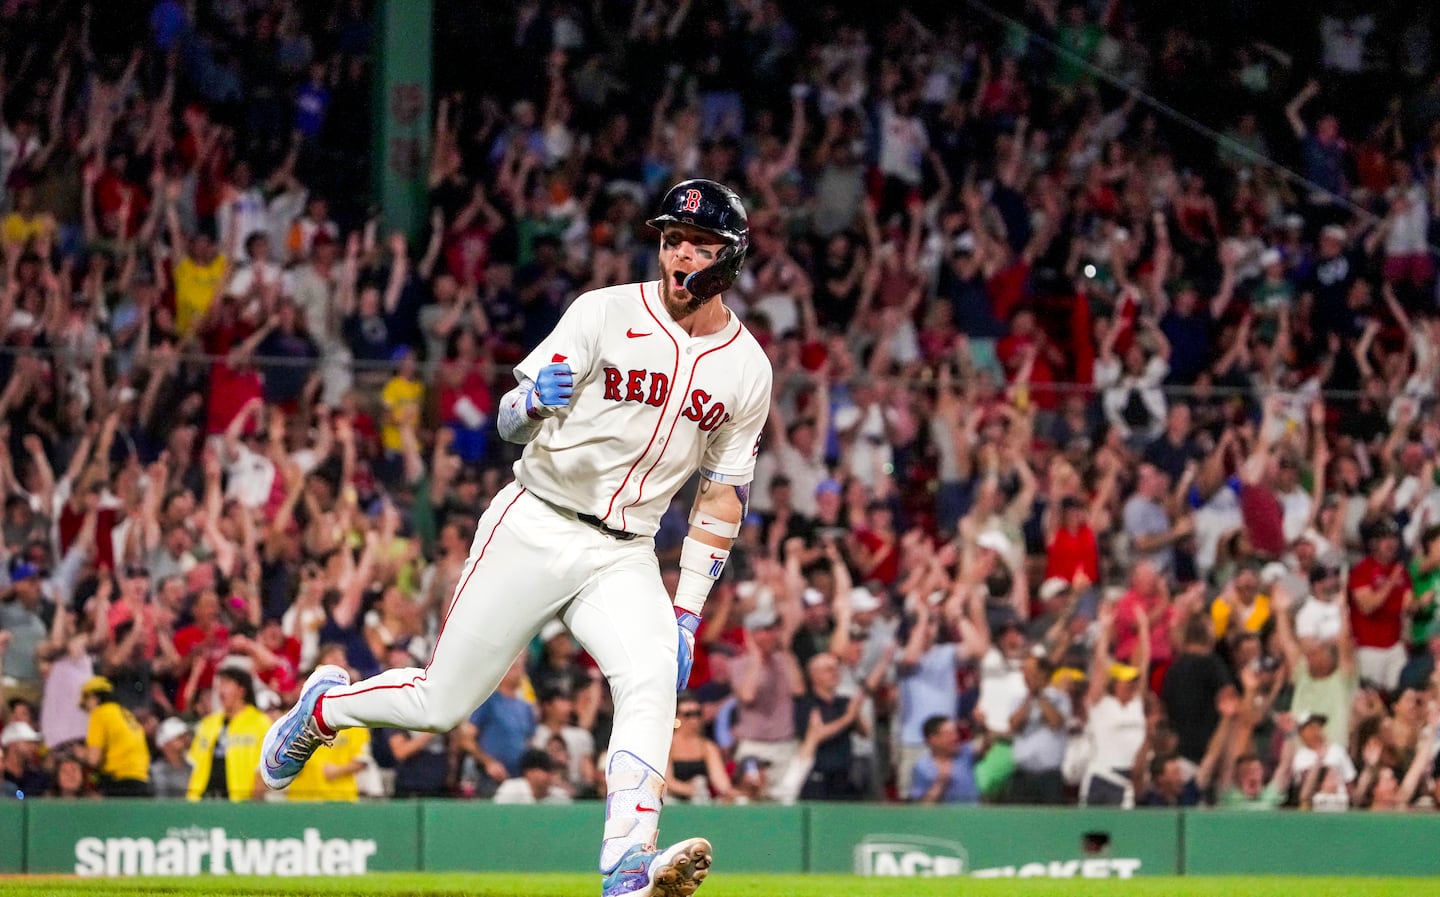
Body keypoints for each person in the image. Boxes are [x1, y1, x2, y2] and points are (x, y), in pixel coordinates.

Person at [262, 179, 769, 897]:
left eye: (699, 244)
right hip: (537, 519)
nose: (681, 254)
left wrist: (686, 610)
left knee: (652, 676)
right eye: (672, 239)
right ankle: (322, 710)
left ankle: (629, 862)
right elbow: (508, 419)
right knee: (440, 705)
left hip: (624, 551)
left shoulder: (747, 368)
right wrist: (529, 404)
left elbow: (721, 496)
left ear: (731, 256)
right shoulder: (603, 311)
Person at [189, 667, 269, 801]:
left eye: (226, 684)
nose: (220, 690)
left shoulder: (260, 723)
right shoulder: (208, 723)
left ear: (241, 690)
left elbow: (263, 768)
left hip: (240, 802)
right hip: (204, 800)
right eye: (219, 685)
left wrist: (254, 804)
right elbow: (194, 765)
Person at [81, 675, 152, 796]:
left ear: (92, 698)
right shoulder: (125, 713)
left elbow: (93, 759)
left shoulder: (100, 713)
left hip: (120, 782)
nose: (87, 711)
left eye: (85, 705)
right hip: (142, 782)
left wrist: (79, 753)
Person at [149, 716, 194, 798]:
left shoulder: (194, 767)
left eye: (185, 736)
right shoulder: (155, 772)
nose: (185, 740)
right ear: (165, 745)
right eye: (179, 737)